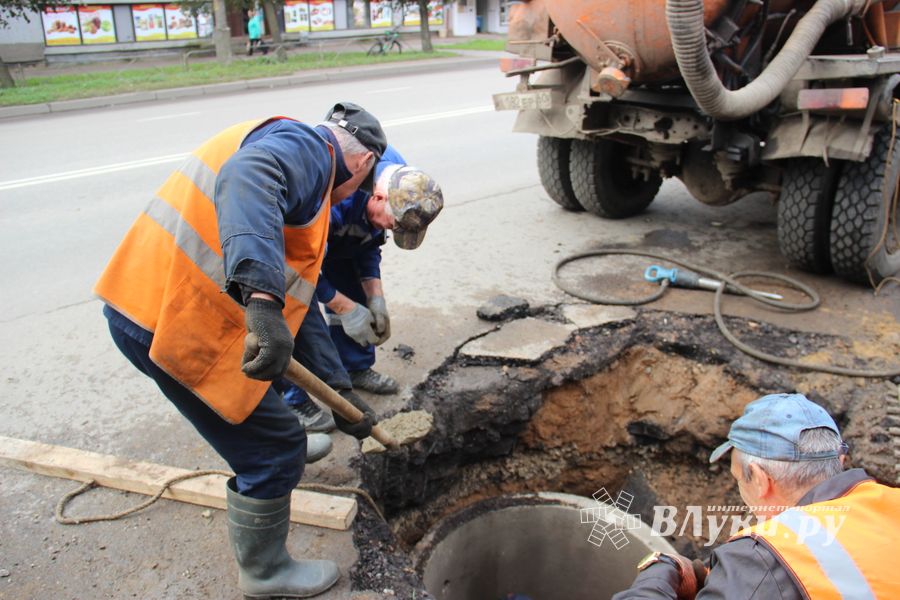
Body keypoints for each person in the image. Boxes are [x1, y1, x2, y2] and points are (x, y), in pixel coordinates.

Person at [95, 102, 387, 598]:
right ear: (362, 163)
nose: (358, 192)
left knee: (265, 411)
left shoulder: (307, 177)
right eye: (365, 181)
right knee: (276, 448)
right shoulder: (308, 150)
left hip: (163, 307)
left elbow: (299, 306)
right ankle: (265, 573)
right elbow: (251, 174)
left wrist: (341, 395)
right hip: (165, 322)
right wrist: (263, 301)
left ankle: (278, 453)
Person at [613, 393, 900, 600]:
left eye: (738, 477)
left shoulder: (762, 559)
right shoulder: (890, 504)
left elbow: (767, 574)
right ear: (840, 459)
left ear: (761, 479)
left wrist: (655, 578)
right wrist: (722, 578)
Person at [280, 147, 444, 432]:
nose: (390, 229)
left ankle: (354, 367)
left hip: (341, 234)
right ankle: (293, 399)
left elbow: (369, 241)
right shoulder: (333, 196)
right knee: (296, 316)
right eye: (393, 224)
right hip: (292, 250)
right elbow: (297, 268)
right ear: (377, 197)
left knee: (356, 294)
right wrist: (341, 306)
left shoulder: (405, 183)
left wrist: (375, 297)